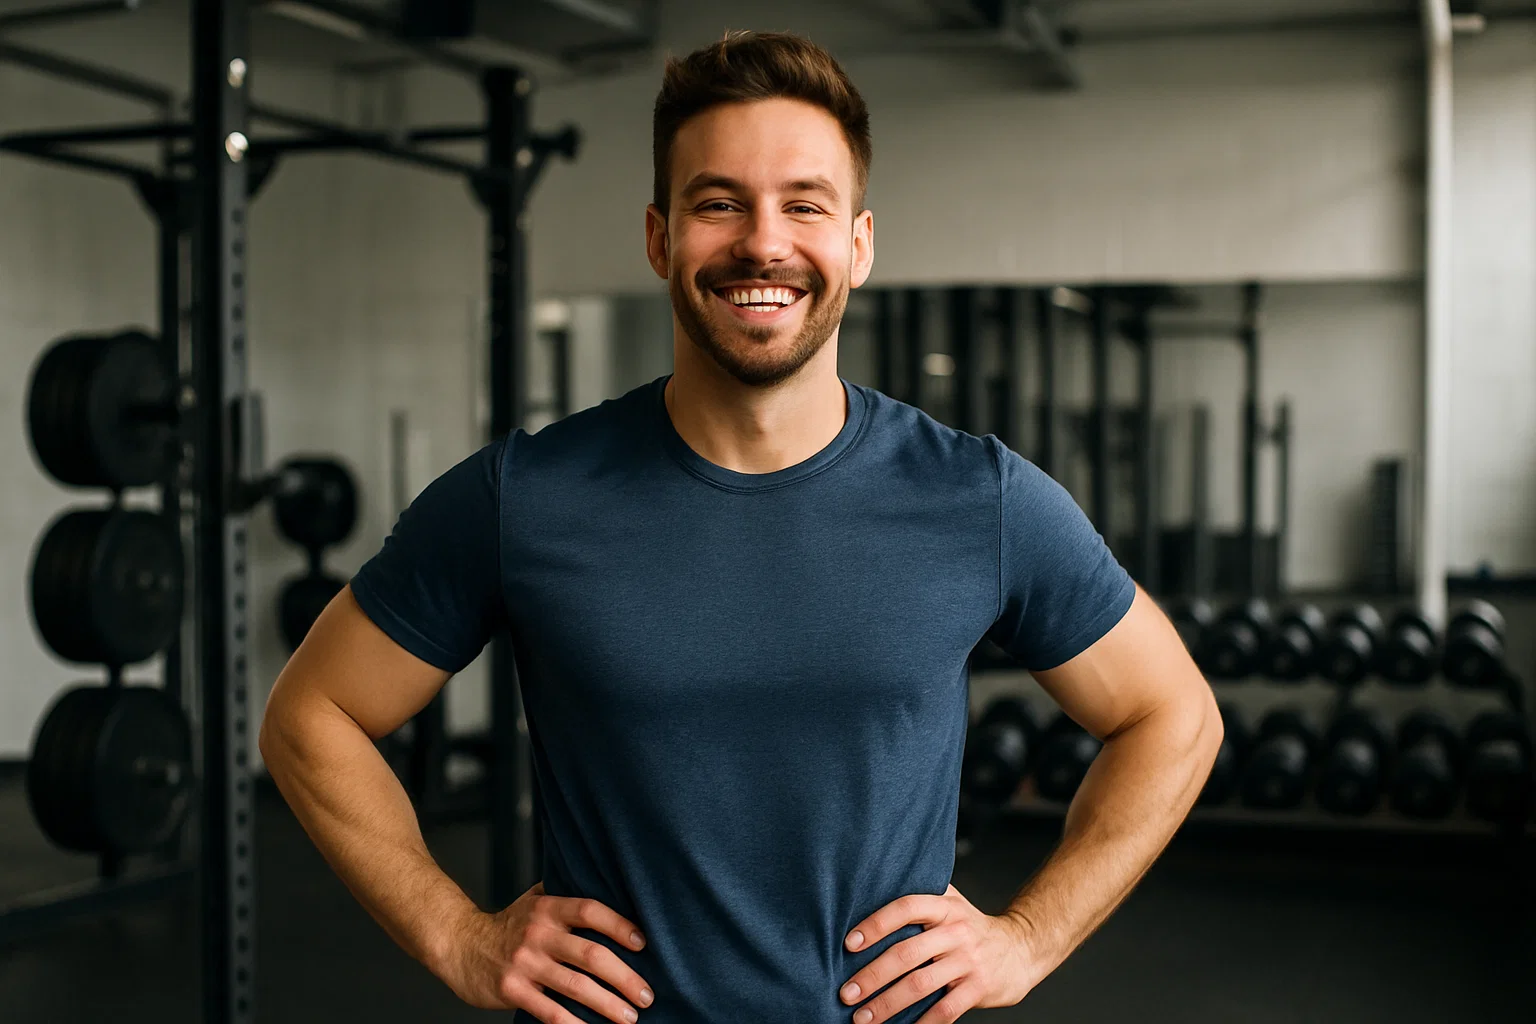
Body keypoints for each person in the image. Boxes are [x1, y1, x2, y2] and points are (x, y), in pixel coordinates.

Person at [259, 30, 1221, 1024]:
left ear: (858, 241)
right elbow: (311, 716)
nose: (765, 242)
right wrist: (454, 932)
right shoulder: (528, 496)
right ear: (659, 237)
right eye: (718, 203)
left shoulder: (980, 498)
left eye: (805, 204)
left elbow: (1174, 718)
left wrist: (1028, 938)